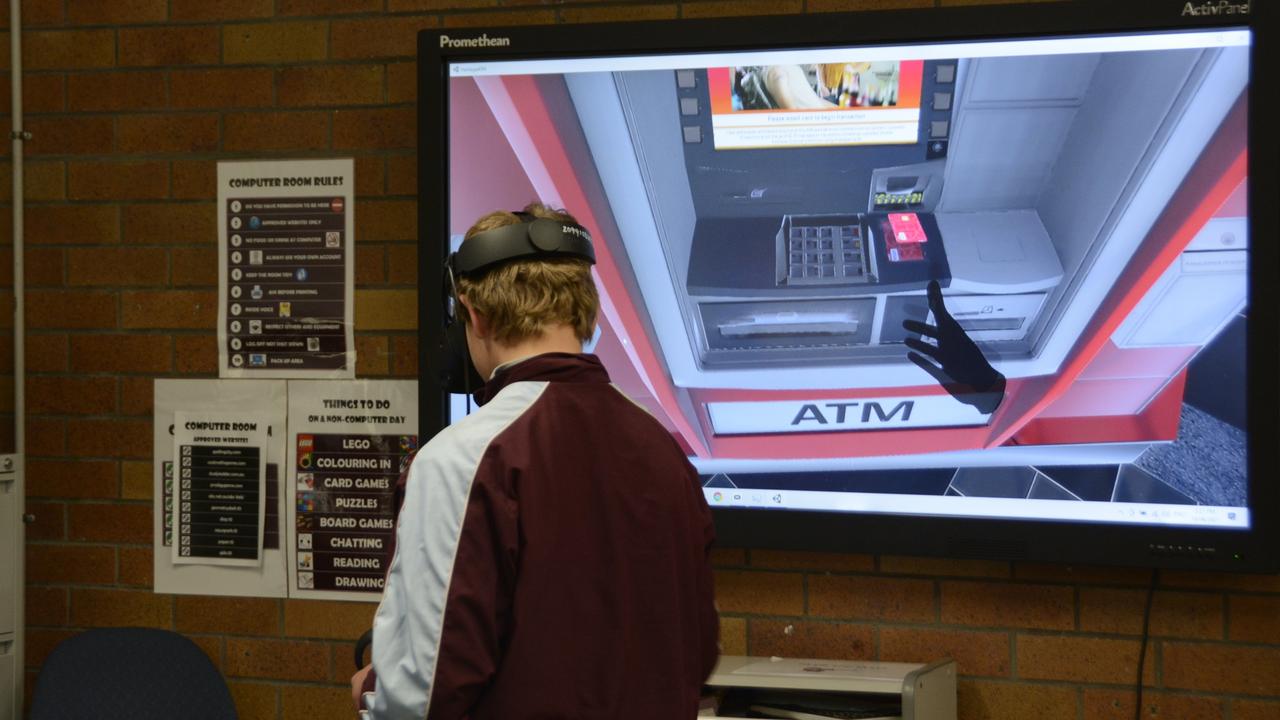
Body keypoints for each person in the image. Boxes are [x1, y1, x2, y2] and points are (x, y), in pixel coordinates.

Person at [352, 203, 720, 719]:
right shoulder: (664, 451)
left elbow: (421, 694)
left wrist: (370, 690)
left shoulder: (461, 461)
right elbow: (697, 653)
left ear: (473, 315)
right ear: (585, 313)